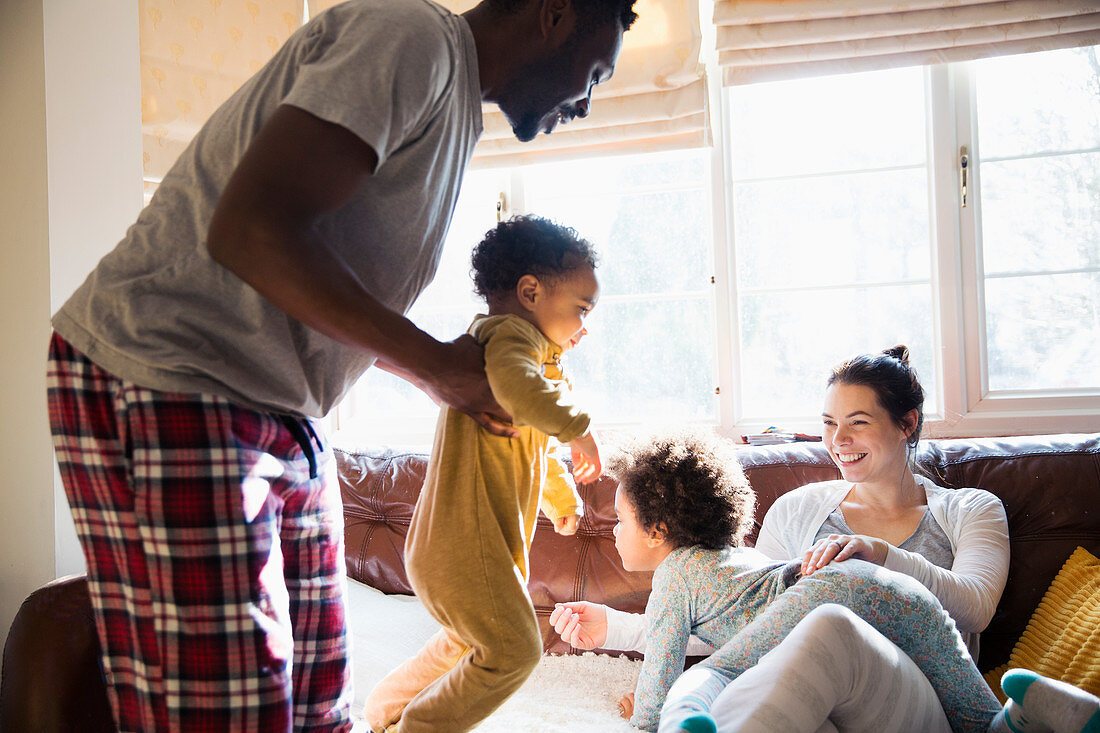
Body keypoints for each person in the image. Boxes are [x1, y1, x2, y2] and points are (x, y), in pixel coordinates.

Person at [46, 0, 637, 730]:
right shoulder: (414, 42)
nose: (585, 101)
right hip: (170, 373)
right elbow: (251, 229)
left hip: (284, 408)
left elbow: (328, 296)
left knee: (320, 701)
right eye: (596, 72)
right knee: (233, 709)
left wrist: (435, 369)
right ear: (554, 14)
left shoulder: (455, 118)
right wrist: (433, 368)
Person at [552, 430, 1100, 733]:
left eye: (621, 520)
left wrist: (646, 713)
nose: (613, 533)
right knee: (976, 720)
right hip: (895, 592)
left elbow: (665, 665)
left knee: (720, 674)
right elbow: (732, 629)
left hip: (831, 593)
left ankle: (688, 725)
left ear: (659, 530)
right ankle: (1038, 711)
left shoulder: (677, 572)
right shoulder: (731, 561)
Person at [361, 215, 602, 731]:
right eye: (581, 309)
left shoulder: (539, 364)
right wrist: (578, 429)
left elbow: (531, 442)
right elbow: (521, 393)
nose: (585, 326)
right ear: (531, 292)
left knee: (469, 642)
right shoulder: (508, 340)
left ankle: (385, 709)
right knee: (514, 652)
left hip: (465, 548)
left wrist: (560, 498)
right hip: (464, 548)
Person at [757, 345, 1009, 659]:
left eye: (858, 422)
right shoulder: (794, 510)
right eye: (830, 423)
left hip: (925, 692)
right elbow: (757, 620)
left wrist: (881, 555)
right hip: (812, 688)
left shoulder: (973, 509)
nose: (838, 440)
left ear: (907, 423)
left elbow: (977, 608)